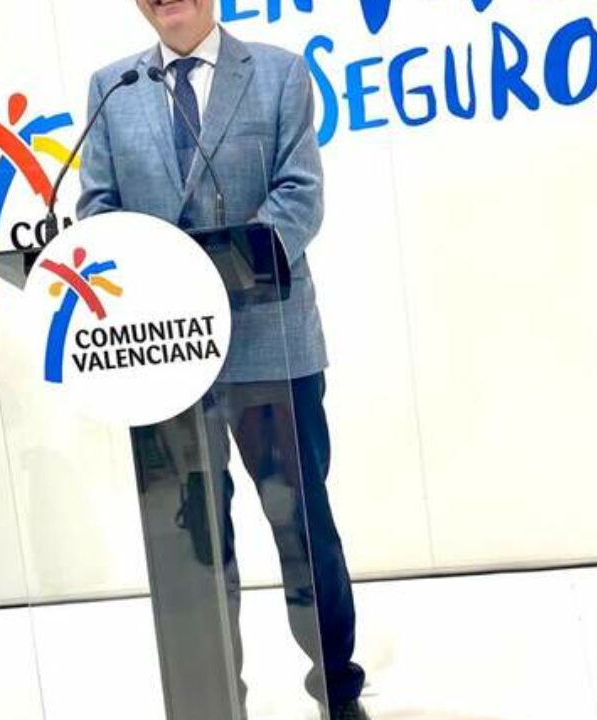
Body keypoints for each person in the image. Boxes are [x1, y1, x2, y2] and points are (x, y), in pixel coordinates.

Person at [77, 2, 368, 718]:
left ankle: (337, 689)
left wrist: (209, 276)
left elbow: (299, 197)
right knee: (192, 544)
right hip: (162, 361)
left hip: (271, 345)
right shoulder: (112, 88)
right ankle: (210, 704)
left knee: (302, 531)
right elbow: (98, 210)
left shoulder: (278, 74)